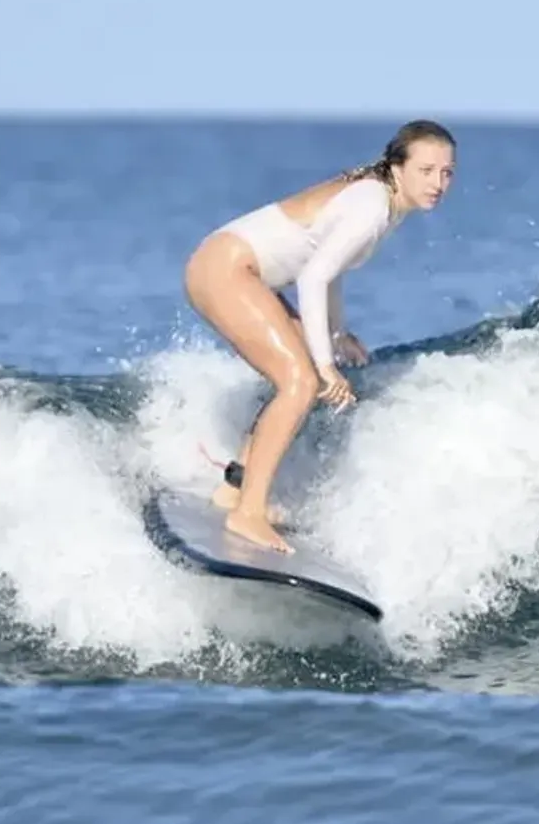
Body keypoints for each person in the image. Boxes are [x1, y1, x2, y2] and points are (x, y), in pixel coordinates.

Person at [183, 119, 457, 553]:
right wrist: (327, 366)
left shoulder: (384, 199)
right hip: (226, 269)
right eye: (427, 170)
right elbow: (312, 278)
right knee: (303, 381)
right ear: (398, 166)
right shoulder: (372, 205)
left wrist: (336, 332)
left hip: (235, 269)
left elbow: (331, 269)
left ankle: (236, 488)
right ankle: (248, 513)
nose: (439, 182)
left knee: (300, 376)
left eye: (446, 172)